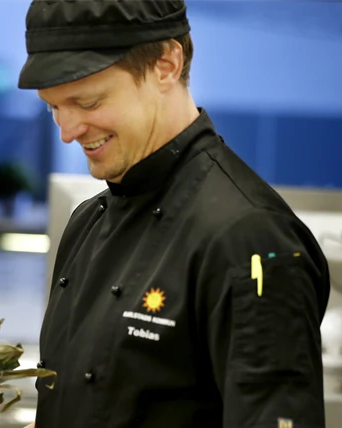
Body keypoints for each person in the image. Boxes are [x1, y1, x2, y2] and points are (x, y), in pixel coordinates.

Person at [17, 1, 330, 427]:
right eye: (53, 107)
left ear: (166, 63)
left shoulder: (249, 237)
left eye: (87, 102)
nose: (68, 130)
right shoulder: (85, 223)